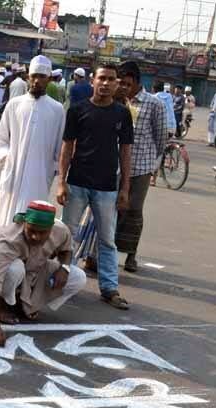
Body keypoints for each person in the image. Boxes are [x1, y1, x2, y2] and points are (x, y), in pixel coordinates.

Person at [58, 63, 133, 310]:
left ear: (116, 83)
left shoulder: (122, 114)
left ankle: (109, 288)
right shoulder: (78, 110)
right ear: (93, 81)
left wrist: (124, 189)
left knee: (107, 240)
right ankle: (58, 278)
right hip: (77, 182)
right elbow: (67, 147)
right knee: (65, 234)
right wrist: (61, 182)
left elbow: (125, 152)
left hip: (106, 187)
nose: (105, 83)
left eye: (111, 79)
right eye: (101, 78)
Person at [0, 201, 86, 347]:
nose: (35, 237)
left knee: (78, 277)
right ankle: (3, 306)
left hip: (37, 271)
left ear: (51, 228)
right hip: (9, 272)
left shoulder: (61, 230)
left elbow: (67, 250)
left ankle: (29, 306)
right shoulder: (8, 239)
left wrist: (64, 267)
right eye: (31, 231)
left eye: (42, 233)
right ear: (24, 223)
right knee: (15, 269)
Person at [0, 55, 65, 238]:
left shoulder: (57, 109)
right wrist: (6, 156)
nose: (36, 80)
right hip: (13, 171)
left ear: (49, 79)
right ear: (28, 76)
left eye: (42, 76)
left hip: (40, 175)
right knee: (6, 217)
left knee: (32, 215)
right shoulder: (14, 104)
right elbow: (2, 137)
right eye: (34, 76)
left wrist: (53, 170)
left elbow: (59, 146)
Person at [113, 61, 167, 273]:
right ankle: (103, 254)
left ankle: (130, 255)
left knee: (133, 211)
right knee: (109, 210)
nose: (123, 87)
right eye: (121, 83)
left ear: (137, 82)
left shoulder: (154, 104)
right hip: (113, 165)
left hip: (140, 167)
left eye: (127, 83)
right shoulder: (115, 101)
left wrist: (153, 162)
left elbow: (161, 137)